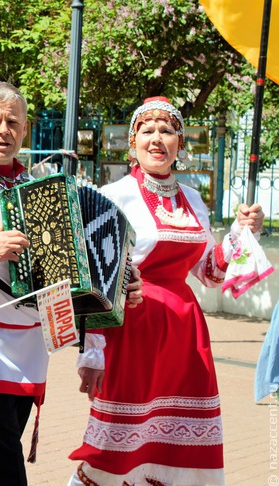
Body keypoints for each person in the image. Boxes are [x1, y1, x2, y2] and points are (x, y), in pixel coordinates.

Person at [0, 81, 142, 486]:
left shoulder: (39, 187)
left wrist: (117, 275)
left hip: (32, 343)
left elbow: (71, 264)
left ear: (25, 129)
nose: (3, 130)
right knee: (0, 459)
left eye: (13, 122)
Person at [68, 97, 264, 486]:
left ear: (179, 143)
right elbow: (92, 278)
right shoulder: (114, 195)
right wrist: (92, 352)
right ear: (133, 142)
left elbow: (208, 273)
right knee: (119, 439)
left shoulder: (193, 200)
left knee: (180, 440)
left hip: (185, 335)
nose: (157, 139)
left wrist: (243, 233)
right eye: (148, 130)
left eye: (168, 130)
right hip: (132, 329)